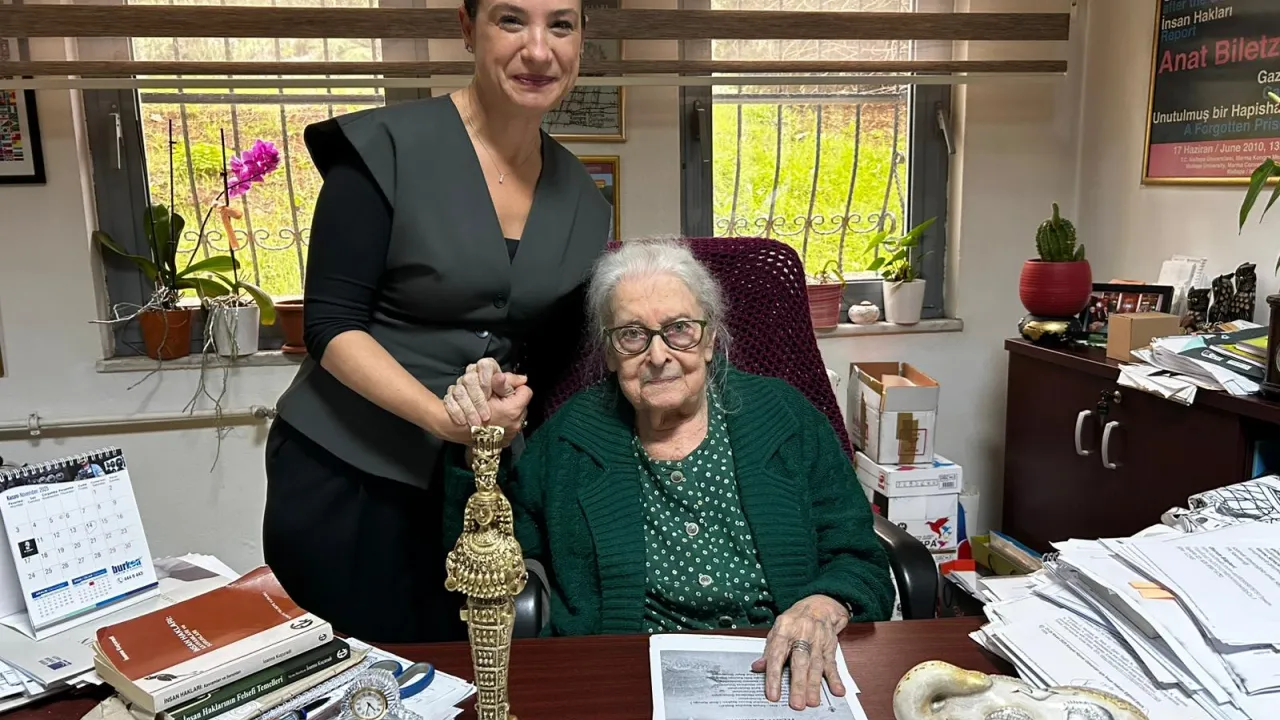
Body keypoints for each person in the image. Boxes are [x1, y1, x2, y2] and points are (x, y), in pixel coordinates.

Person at [261, 0, 612, 644]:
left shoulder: (585, 202)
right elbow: (331, 324)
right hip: (344, 477)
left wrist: (512, 400)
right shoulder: (384, 148)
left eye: (561, 25)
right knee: (353, 678)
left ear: (582, 40)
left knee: (458, 677)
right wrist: (439, 417)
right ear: (467, 29)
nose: (539, 50)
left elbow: (546, 356)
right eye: (511, 20)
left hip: (471, 494)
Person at [442, 237, 894, 710]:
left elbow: (860, 558)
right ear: (610, 352)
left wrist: (821, 606)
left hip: (779, 671)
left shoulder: (784, 417)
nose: (658, 356)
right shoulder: (570, 440)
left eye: (680, 329)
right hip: (623, 677)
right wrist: (480, 445)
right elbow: (482, 557)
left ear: (711, 338)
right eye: (632, 334)